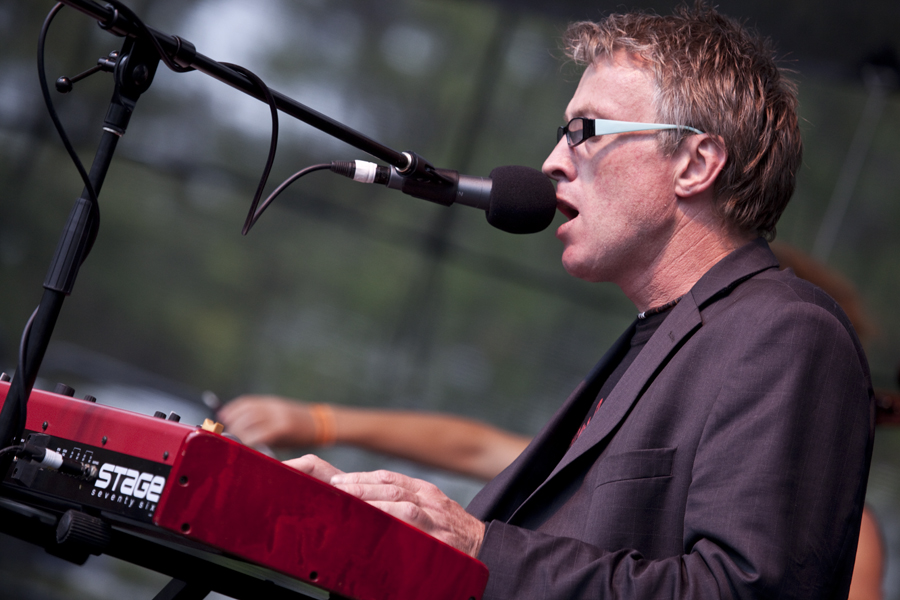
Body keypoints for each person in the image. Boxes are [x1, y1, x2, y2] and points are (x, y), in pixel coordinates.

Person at [276, 5, 874, 598]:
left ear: (695, 163)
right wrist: (382, 527)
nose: (552, 162)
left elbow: (743, 592)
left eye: (585, 131)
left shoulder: (788, 331)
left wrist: (483, 548)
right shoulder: (664, 334)